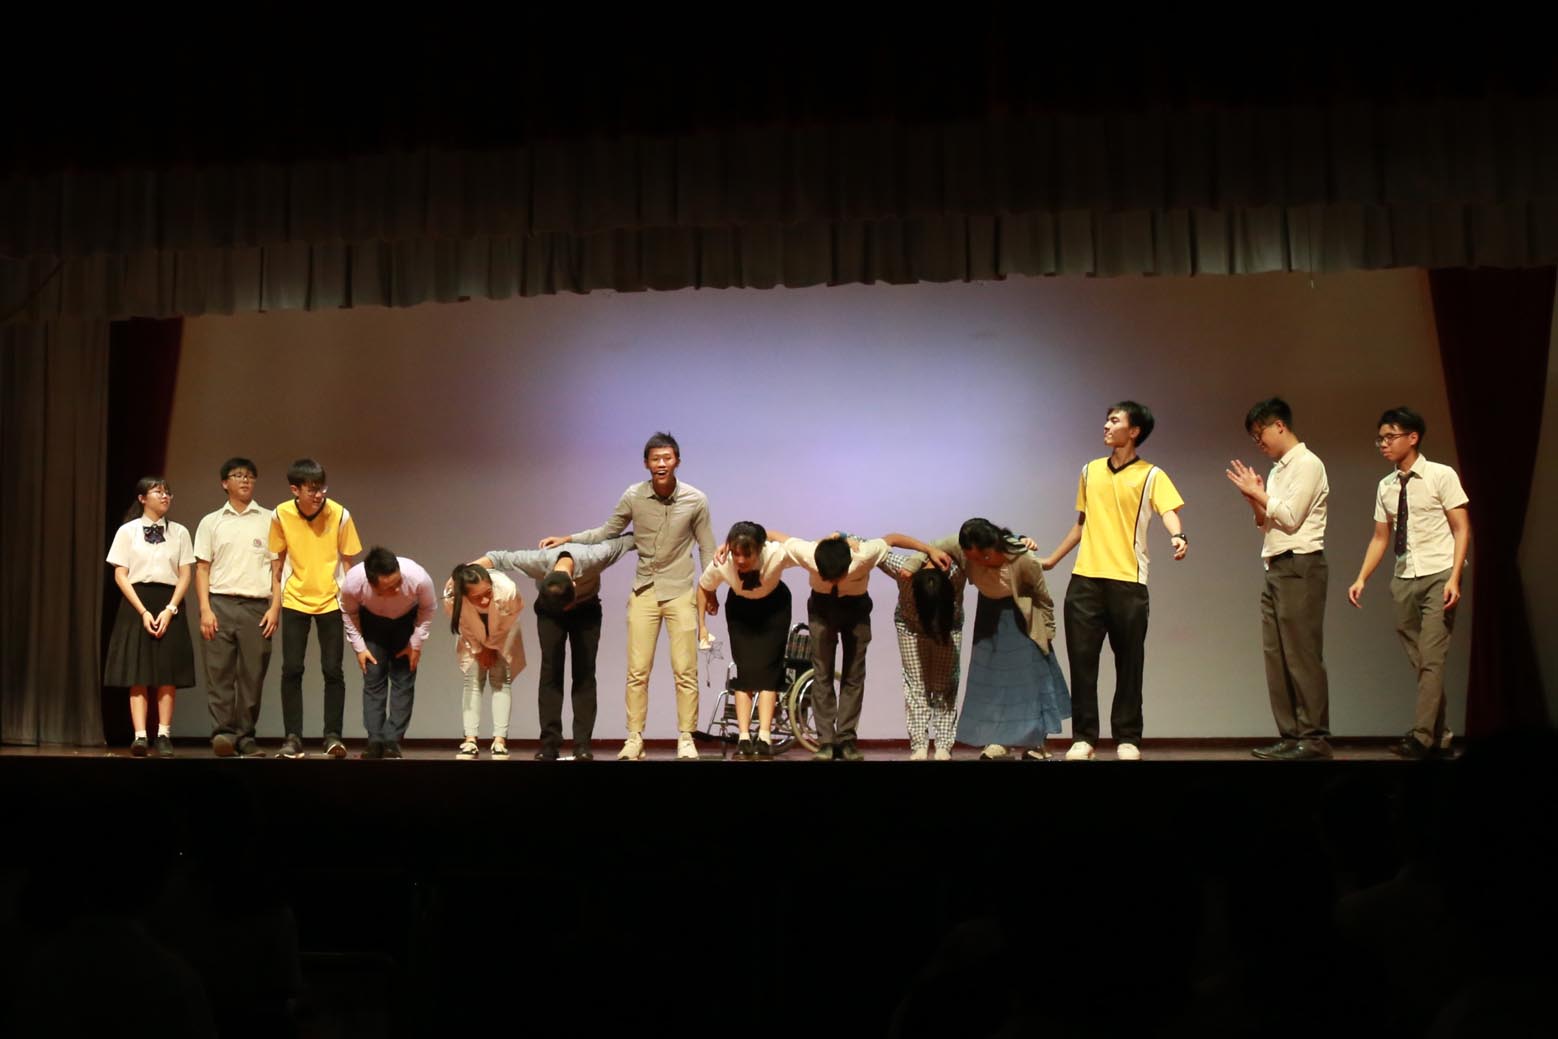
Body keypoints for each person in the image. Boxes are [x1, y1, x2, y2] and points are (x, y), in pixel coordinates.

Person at [540, 432, 715, 761]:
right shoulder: (634, 496)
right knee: (637, 671)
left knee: (685, 670)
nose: (661, 464)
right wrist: (569, 538)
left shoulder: (696, 500)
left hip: (680, 591)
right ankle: (634, 737)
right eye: (655, 459)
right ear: (646, 463)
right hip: (644, 590)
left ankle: (686, 737)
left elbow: (707, 547)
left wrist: (709, 588)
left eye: (667, 458)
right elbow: (607, 531)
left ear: (677, 461)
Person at [1042, 401, 1187, 761]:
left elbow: (1168, 510)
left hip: (1128, 581)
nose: (1106, 426)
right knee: (1082, 663)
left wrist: (1178, 535)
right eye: (1106, 420)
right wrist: (1053, 559)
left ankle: (1127, 738)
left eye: (1114, 421)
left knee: (1129, 663)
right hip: (1085, 580)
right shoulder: (1090, 470)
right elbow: (1082, 523)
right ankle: (1084, 738)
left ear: (1134, 431)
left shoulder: (1151, 475)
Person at [1347, 406, 1471, 759]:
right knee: (1423, 662)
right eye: (1380, 439)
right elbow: (1380, 537)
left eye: (1391, 437)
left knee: (1432, 659)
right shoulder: (1386, 486)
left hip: (1438, 574)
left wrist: (1455, 577)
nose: (1384, 444)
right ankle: (1440, 735)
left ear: (1413, 437)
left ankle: (1422, 737)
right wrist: (1361, 577)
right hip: (1403, 576)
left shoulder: (1440, 475)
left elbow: (1462, 528)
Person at [776, 531, 949, 761]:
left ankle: (846, 739)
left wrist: (930, 549)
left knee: (854, 675)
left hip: (856, 610)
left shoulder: (864, 554)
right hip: (821, 610)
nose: (834, 581)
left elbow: (893, 539)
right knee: (822, 674)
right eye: (828, 577)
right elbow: (775, 536)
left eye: (838, 576)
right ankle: (826, 742)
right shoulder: (808, 553)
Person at [1227, 398, 1333, 761]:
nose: (1258, 442)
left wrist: (1260, 494)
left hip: (1301, 566)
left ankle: (1314, 738)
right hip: (1275, 566)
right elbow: (1268, 525)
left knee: (1302, 655)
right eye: (1253, 437)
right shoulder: (1276, 472)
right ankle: (1290, 736)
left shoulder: (1308, 464)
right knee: (1277, 657)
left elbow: (1290, 518)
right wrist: (1254, 500)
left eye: (1260, 434)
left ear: (1280, 426)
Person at [911, 519, 1069, 761]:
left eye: (983, 556)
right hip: (990, 615)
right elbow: (930, 546)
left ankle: (1037, 742)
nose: (978, 562)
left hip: (1022, 616)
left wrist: (1047, 633)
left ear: (994, 545)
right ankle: (998, 741)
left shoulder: (1022, 557)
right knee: (992, 678)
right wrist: (913, 566)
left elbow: (1043, 597)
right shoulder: (960, 546)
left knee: (1029, 679)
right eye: (971, 557)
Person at [472, 535, 635, 760]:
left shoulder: (595, 556)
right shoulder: (538, 561)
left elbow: (629, 540)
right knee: (551, 672)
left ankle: (582, 745)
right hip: (549, 613)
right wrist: (462, 574)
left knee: (585, 673)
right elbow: (496, 558)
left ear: (574, 584)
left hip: (586, 609)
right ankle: (549, 744)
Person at [268, 458, 362, 759]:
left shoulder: (341, 514)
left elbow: (348, 563)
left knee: (332, 670)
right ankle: (292, 738)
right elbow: (277, 563)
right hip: (294, 598)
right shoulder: (280, 514)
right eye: (312, 489)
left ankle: (332, 736)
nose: (319, 494)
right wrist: (274, 606)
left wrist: (352, 607)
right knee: (292, 669)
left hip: (331, 600)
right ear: (295, 490)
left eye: (322, 488)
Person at [192, 457, 282, 758]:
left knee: (253, 676)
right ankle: (223, 734)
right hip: (220, 603)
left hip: (256, 607)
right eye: (238, 475)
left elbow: (278, 570)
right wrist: (205, 609)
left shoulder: (269, 519)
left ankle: (245, 736)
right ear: (224, 483)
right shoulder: (211, 522)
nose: (245, 480)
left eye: (250, 476)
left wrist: (275, 608)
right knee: (219, 674)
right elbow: (202, 569)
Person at [105, 476, 197, 757]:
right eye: (158, 492)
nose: (165, 496)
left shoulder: (179, 532)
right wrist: (143, 611)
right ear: (142, 498)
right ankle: (140, 736)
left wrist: (170, 609)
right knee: (138, 671)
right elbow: (120, 574)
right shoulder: (127, 531)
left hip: (169, 601)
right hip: (136, 603)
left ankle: (164, 734)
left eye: (168, 492)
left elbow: (185, 574)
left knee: (167, 672)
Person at [696, 521, 797, 758]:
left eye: (747, 555)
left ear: (760, 549)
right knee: (745, 672)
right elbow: (702, 587)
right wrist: (702, 626)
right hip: (741, 611)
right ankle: (743, 737)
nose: (740, 560)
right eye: (736, 553)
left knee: (769, 673)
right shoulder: (724, 560)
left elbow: (796, 545)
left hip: (774, 609)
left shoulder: (774, 553)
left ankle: (764, 737)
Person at [340, 547, 437, 759]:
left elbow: (428, 608)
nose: (397, 588)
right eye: (389, 587)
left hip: (405, 621)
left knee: (403, 678)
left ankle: (392, 740)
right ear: (372, 584)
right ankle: (375, 740)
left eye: (398, 582)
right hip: (372, 622)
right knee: (373, 677)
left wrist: (416, 643)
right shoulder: (353, 583)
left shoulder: (418, 577)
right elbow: (348, 612)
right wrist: (359, 648)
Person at [444, 563, 524, 760]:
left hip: (503, 633)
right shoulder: (452, 597)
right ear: (464, 595)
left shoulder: (507, 589)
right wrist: (479, 649)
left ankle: (500, 741)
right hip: (472, 637)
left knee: (500, 681)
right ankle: (470, 740)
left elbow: (509, 620)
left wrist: (491, 646)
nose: (485, 600)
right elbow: (463, 625)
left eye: (488, 593)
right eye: (477, 597)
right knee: (472, 681)